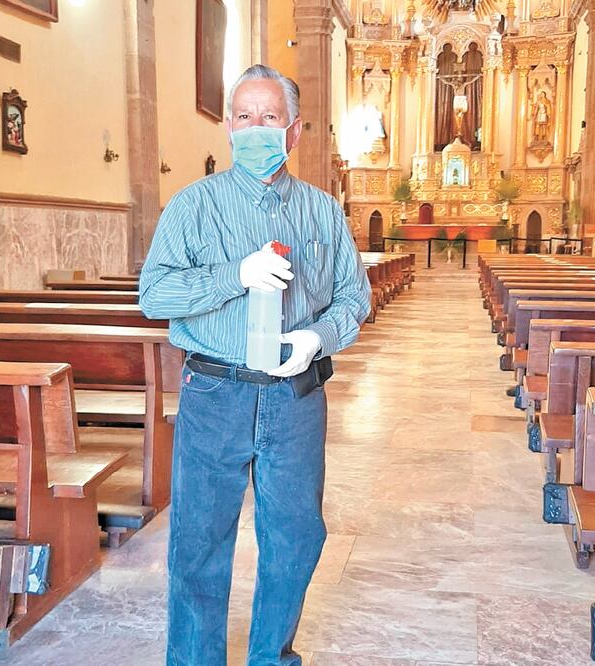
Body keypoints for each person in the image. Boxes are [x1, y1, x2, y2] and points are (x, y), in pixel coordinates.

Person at [139, 64, 372, 666]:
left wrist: (317, 339)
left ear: (294, 132)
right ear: (227, 127)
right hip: (215, 392)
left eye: (270, 118)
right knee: (198, 543)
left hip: (295, 396)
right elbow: (154, 294)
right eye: (244, 117)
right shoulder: (192, 206)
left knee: (296, 538)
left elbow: (354, 296)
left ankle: (272, 656)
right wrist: (233, 276)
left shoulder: (322, 212)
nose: (256, 128)